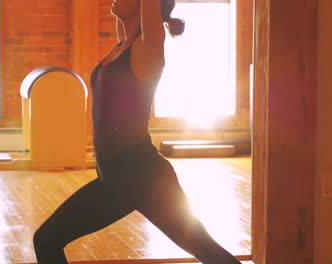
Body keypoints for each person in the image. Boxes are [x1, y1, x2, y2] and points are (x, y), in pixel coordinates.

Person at [33, 1, 242, 263]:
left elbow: (149, 19)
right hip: (125, 179)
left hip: (138, 178)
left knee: (46, 239)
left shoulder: (149, 46)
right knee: (207, 250)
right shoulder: (124, 45)